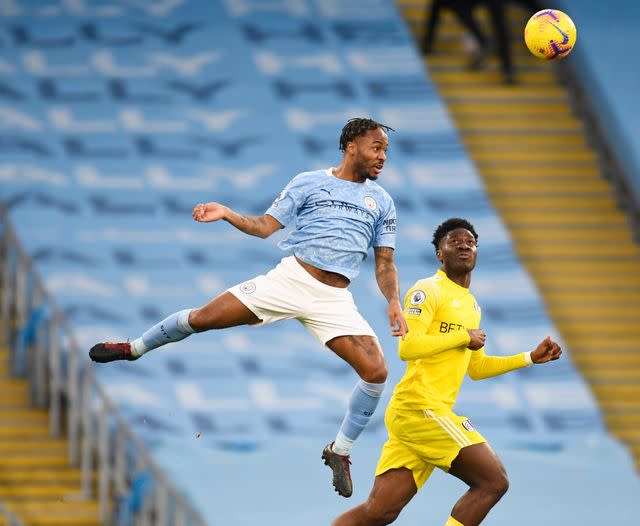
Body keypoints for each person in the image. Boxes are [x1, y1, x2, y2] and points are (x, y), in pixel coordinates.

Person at [88, 117, 409, 499]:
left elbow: (385, 262)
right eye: (377, 147)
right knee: (202, 318)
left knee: (376, 372)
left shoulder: (382, 201)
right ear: (351, 146)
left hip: (334, 299)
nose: (383, 156)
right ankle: (134, 348)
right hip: (290, 280)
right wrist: (226, 213)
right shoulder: (309, 182)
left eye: (386, 149)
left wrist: (393, 301)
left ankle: (339, 451)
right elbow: (264, 226)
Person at [332, 217, 562, 526]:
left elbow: (476, 368)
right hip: (420, 408)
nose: (464, 245)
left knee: (378, 512)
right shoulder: (428, 290)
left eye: (470, 243)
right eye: (455, 242)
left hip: (419, 415)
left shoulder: (471, 306)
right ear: (440, 254)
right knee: (493, 481)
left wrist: (529, 358)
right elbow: (408, 348)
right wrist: (463, 336)